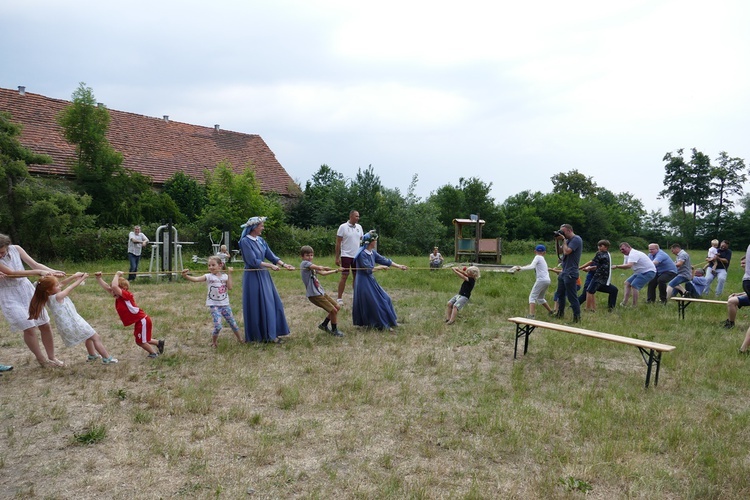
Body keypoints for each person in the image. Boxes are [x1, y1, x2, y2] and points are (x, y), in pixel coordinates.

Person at [0, 233, 66, 367]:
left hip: (26, 290)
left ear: (7, 246)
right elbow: (12, 273)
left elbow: (34, 264)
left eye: (2, 252)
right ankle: (42, 360)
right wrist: (38, 272)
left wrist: (52, 271)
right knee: (28, 326)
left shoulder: (16, 249)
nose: (0, 255)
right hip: (9, 294)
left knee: (44, 324)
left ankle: (52, 357)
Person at [28, 273, 118, 364]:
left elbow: (62, 283)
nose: (60, 286)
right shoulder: (58, 297)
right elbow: (70, 288)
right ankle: (106, 358)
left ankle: (92, 355)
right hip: (73, 322)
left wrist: (74, 276)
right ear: (49, 290)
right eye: (57, 285)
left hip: (73, 322)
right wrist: (81, 279)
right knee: (95, 337)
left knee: (88, 336)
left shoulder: (49, 295)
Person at [238, 216, 294, 343]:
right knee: (256, 305)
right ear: (254, 227)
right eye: (261, 225)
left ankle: (271, 333)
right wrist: (270, 266)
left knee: (272, 302)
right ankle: (258, 336)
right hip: (252, 276)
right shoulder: (245, 242)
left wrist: (284, 264)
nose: (263, 227)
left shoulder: (261, 240)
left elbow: (270, 255)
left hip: (264, 275)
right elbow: (252, 261)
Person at [95, 271, 165, 357]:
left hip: (142, 320)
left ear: (123, 288)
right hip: (140, 321)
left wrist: (116, 275)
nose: (112, 292)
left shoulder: (126, 295)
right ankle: (159, 343)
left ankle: (153, 353)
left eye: (114, 290)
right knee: (141, 338)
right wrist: (99, 278)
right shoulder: (119, 296)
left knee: (140, 342)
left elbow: (114, 286)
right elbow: (108, 287)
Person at [182, 256, 243, 347]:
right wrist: (186, 276)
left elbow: (230, 287)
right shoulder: (208, 276)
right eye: (209, 265)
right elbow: (196, 279)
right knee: (218, 326)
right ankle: (214, 342)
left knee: (233, 323)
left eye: (213, 265)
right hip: (214, 305)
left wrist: (230, 274)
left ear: (220, 265)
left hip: (225, 304)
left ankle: (240, 340)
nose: (210, 267)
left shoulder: (225, 276)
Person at [352, 232, 408, 331]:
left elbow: (385, 260)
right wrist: (380, 267)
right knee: (376, 303)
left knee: (386, 298)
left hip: (370, 280)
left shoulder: (373, 253)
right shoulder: (362, 254)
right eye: (375, 240)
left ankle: (390, 322)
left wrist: (399, 266)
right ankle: (381, 325)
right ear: (370, 242)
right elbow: (367, 269)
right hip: (363, 282)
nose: (376, 242)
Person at [299, 245, 344, 337]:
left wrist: (336, 270)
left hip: (320, 292)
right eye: (307, 255)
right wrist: (323, 267)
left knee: (337, 307)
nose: (310, 257)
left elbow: (323, 273)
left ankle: (324, 325)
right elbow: (319, 268)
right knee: (333, 311)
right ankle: (334, 330)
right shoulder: (304, 264)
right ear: (302, 256)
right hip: (314, 294)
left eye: (311, 255)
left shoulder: (311, 266)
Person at [512, 244, 553, 318]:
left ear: (535, 251)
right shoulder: (543, 259)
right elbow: (532, 265)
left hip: (541, 280)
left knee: (532, 297)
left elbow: (532, 266)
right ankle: (551, 311)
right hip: (547, 280)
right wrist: (521, 267)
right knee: (540, 298)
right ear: (544, 252)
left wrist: (521, 268)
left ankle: (531, 315)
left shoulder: (537, 257)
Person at [553, 224, 582, 322]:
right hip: (564, 271)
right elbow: (560, 251)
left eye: (563, 231)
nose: (562, 233)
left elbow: (567, 252)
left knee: (571, 296)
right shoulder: (568, 240)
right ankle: (560, 314)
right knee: (560, 294)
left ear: (569, 231)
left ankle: (577, 318)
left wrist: (564, 240)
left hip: (571, 272)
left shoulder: (576, 239)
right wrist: (557, 241)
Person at [580, 240, 619, 312]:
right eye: (598, 246)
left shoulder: (600, 254)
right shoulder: (608, 254)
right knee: (592, 291)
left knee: (589, 291)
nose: (599, 247)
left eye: (601, 246)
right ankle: (594, 309)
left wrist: (580, 267)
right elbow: (599, 266)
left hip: (599, 276)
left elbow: (591, 262)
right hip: (604, 278)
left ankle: (587, 309)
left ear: (606, 247)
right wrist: (590, 268)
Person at [335, 210, 364, 306]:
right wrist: (337, 257)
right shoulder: (343, 227)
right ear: (351, 216)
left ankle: (356, 296)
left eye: (358, 216)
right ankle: (339, 298)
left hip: (356, 256)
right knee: (344, 276)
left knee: (356, 276)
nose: (358, 218)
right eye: (356, 216)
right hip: (346, 255)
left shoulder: (359, 227)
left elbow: (362, 241)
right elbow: (338, 243)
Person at [615, 242, 656, 307]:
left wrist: (616, 266)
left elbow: (629, 265)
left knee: (634, 285)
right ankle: (624, 303)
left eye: (623, 249)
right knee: (627, 283)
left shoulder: (633, 253)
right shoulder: (626, 255)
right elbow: (625, 267)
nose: (622, 251)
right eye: (620, 250)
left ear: (628, 247)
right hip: (639, 272)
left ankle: (634, 305)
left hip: (648, 272)